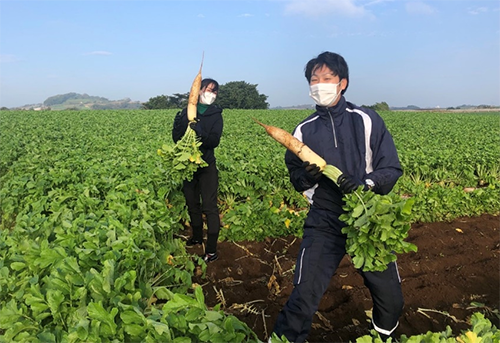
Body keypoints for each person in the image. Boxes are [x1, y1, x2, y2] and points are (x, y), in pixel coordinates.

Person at [270, 52, 404, 342]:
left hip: (368, 219)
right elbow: (296, 178)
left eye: (327, 79)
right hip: (325, 220)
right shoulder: (303, 131)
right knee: (304, 295)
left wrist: (364, 184)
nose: (320, 85)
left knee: (391, 299)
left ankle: (383, 338)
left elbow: (391, 168)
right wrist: (308, 177)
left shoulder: (367, 120)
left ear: (342, 83)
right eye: (314, 80)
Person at [172, 78, 223, 263]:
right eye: (208, 89)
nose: (211, 94)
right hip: (188, 164)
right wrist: (180, 123)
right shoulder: (186, 111)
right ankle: (196, 236)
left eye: (214, 91)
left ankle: (211, 250)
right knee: (192, 203)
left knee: (209, 207)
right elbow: (176, 139)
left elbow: (214, 141)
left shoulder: (216, 114)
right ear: (199, 91)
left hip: (206, 165)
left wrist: (200, 131)